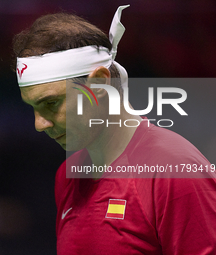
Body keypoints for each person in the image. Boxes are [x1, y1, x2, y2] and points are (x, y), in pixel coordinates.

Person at [12, 5, 216, 255]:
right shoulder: (68, 175)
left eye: (51, 103)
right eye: (33, 107)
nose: (39, 124)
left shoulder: (175, 172)